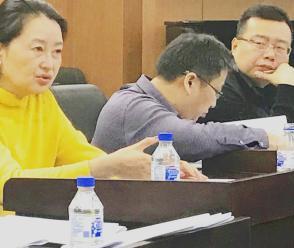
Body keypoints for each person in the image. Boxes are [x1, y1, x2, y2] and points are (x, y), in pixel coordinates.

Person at [0, 0, 201, 235]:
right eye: (38, 49)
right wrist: (104, 167)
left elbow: (81, 155)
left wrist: (154, 170)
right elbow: (9, 186)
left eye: (57, 52)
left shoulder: (39, 99)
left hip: (12, 241)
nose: (49, 63)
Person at [93, 32, 281, 161]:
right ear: (190, 82)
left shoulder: (146, 101)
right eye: (216, 92)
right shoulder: (133, 105)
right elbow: (191, 138)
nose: (214, 104)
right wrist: (262, 137)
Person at [201, 4, 294, 124]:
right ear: (235, 46)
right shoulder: (219, 87)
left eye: (280, 47)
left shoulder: (273, 86)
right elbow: (276, 134)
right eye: (259, 43)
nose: (270, 55)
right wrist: (288, 90)